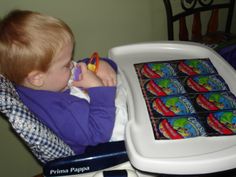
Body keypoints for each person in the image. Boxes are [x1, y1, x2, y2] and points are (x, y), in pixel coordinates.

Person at [0, 9, 122, 155]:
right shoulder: (62, 112)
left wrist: (102, 64)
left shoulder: (33, 81)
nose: (72, 65)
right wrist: (98, 88)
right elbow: (99, 134)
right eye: (65, 64)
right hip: (103, 144)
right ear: (37, 78)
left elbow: (78, 68)